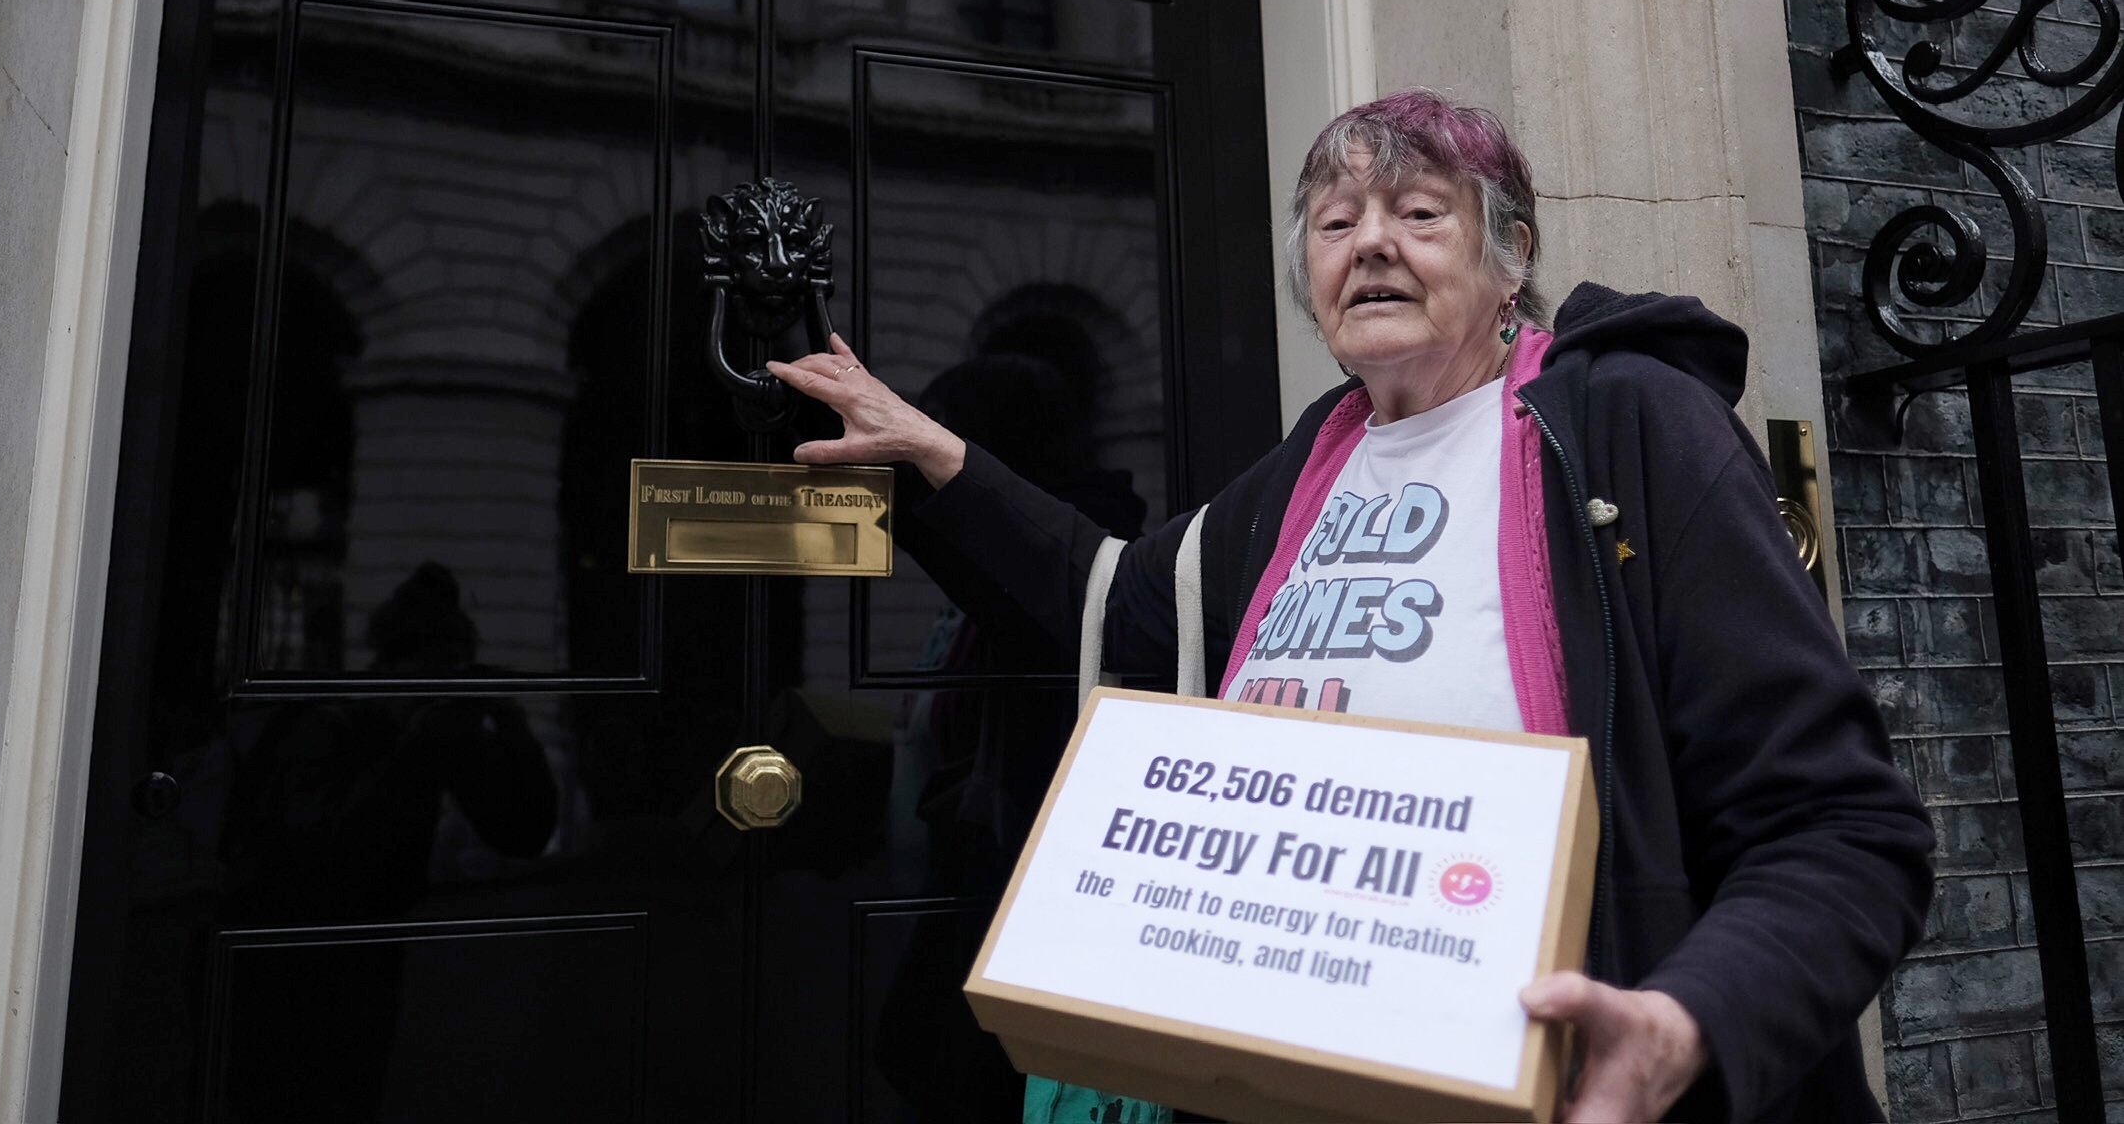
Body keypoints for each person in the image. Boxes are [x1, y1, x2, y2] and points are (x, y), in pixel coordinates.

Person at [770, 89, 1932, 1123]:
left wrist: (1686, 1028)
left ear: (1508, 253)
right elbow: (1105, 593)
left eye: (1420, 214)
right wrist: (926, 453)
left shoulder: (1630, 427)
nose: (1369, 241)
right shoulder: (1307, 469)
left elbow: (1842, 833)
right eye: (1334, 224)